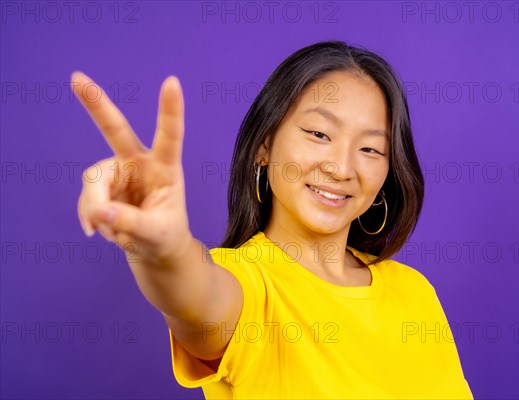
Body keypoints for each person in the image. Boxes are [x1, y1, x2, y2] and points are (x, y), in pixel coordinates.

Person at [73, 40, 473, 399]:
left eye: (370, 149)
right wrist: (165, 250)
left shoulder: (415, 292)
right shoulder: (248, 287)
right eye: (319, 134)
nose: (341, 166)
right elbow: (195, 298)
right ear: (264, 147)